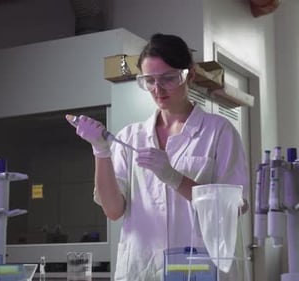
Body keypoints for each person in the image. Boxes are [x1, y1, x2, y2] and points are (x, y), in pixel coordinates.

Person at [66, 33, 249, 281]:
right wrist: (100, 151)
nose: (158, 89)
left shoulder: (219, 132)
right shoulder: (131, 136)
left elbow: (236, 206)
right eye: (149, 80)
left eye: (168, 78)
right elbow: (113, 210)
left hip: (199, 270)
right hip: (142, 269)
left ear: (190, 75)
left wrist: (176, 179)